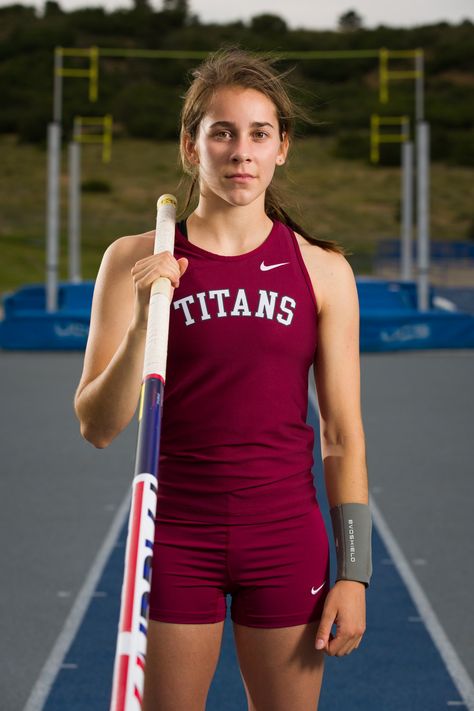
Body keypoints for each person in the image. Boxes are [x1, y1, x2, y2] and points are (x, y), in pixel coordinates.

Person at [74, 47, 372, 711]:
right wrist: (147, 319)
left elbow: (342, 433)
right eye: (222, 132)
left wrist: (355, 571)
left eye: (259, 134)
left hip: (285, 534)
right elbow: (98, 426)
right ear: (191, 146)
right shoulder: (135, 258)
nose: (242, 151)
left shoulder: (321, 269)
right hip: (176, 532)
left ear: (282, 147)